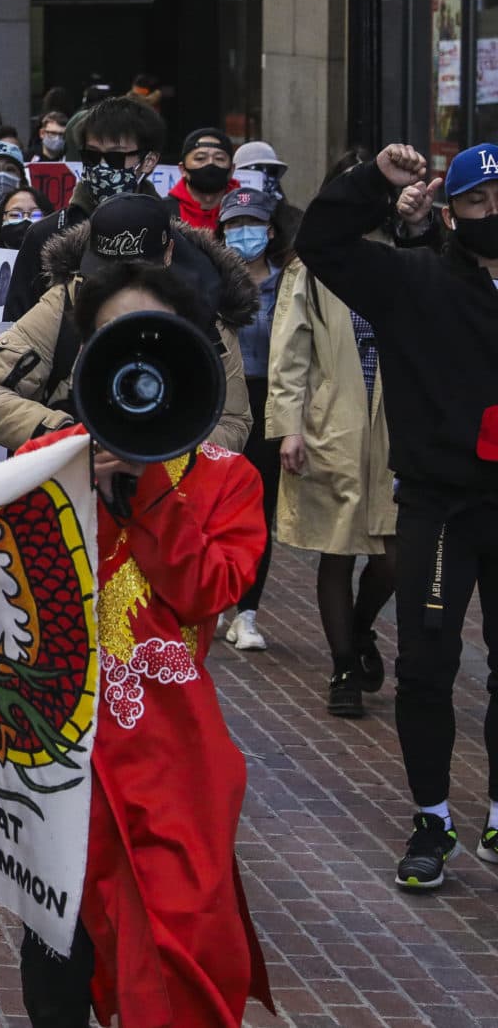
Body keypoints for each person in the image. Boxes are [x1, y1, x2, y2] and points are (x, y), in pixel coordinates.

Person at [14, 261, 271, 1028]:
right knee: (57, 963)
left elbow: (206, 592)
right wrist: (69, 482)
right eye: (110, 339)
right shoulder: (40, 468)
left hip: (172, 756)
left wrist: (151, 484)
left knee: (178, 949)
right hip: (62, 754)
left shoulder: (227, 480)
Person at [295, 141, 498, 888]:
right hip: (440, 507)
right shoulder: (413, 283)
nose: (493, 213)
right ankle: (433, 817)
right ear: (452, 211)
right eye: (477, 201)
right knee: (427, 668)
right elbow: (320, 243)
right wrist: (374, 183)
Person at [0, 193, 255, 455]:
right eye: (107, 272)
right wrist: (71, 438)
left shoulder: (208, 317)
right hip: (79, 481)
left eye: (137, 273)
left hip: (174, 493)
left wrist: (169, 445)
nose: (121, 287)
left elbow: (233, 422)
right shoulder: (66, 301)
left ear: (167, 255)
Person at [268, 166, 399, 717]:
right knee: (337, 548)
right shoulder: (311, 269)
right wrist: (289, 427)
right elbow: (290, 353)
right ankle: (344, 663)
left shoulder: (405, 261)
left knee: (395, 554)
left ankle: (362, 627)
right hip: (332, 424)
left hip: (395, 429)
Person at [213, 186, 292, 656]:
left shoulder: (291, 284)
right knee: (212, 506)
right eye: (234, 225)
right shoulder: (210, 286)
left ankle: (246, 613)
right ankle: (215, 597)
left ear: (271, 229)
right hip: (221, 402)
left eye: (253, 224)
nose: (244, 234)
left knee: (258, 511)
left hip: (272, 402)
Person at [5, 97, 166, 322]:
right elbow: (15, 329)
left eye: (114, 157)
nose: (101, 166)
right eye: (91, 155)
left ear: (149, 161)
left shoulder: (171, 234)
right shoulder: (46, 236)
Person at [167, 128, 238, 230]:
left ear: (232, 170)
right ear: (182, 169)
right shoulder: (163, 213)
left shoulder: (246, 211)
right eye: (200, 158)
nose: (210, 163)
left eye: (219, 158)